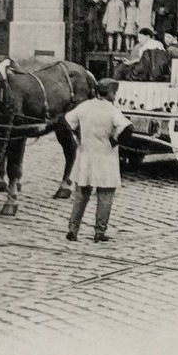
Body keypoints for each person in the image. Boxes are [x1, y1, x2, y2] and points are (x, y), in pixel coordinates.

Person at [63, 79, 133, 242]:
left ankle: (73, 230)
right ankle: (99, 232)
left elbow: (66, 122)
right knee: (105, 194)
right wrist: (115, 141)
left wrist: (77, 136)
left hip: (86, 155)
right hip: (105, 157)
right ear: (110, 93)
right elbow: (129, 128)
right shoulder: (112, 110)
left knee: (81, 194)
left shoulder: (84, 106)